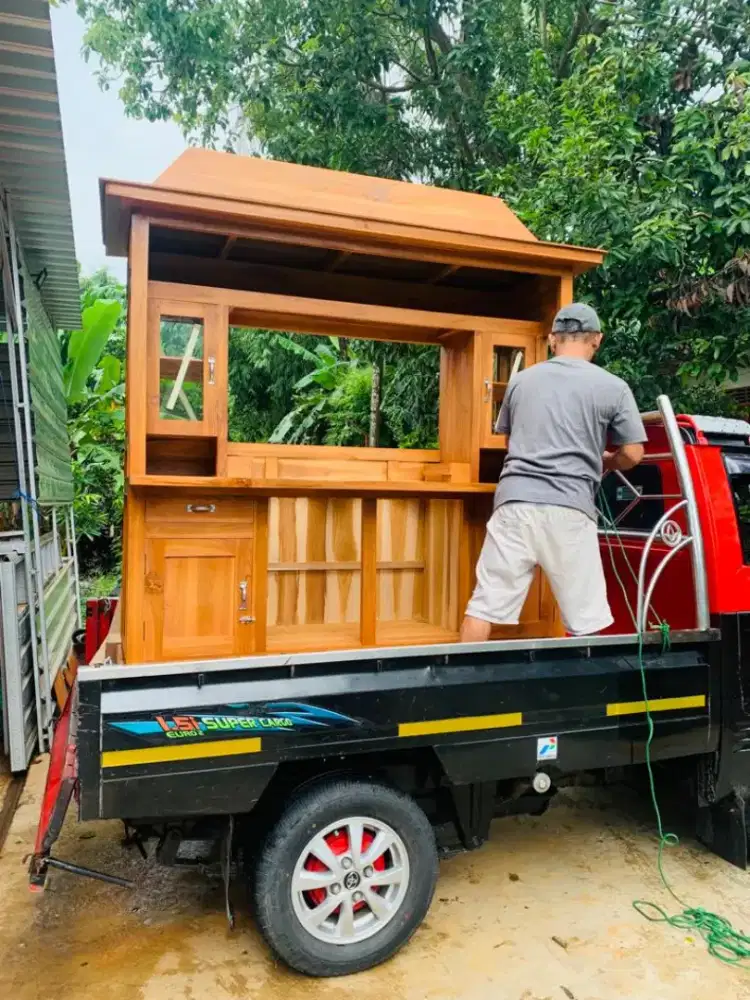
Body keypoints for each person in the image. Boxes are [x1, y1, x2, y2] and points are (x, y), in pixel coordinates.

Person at [460, 302, 646, 641]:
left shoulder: (521, 382)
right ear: (597, 340)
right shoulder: (612, 387)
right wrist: (603, 461)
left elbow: (510, 444)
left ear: (552, 339)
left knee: (484, 606)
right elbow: (633, 453)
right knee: (586, 619)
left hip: (514, 503)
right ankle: (589, 692)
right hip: (570, 508)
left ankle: (453, 686)